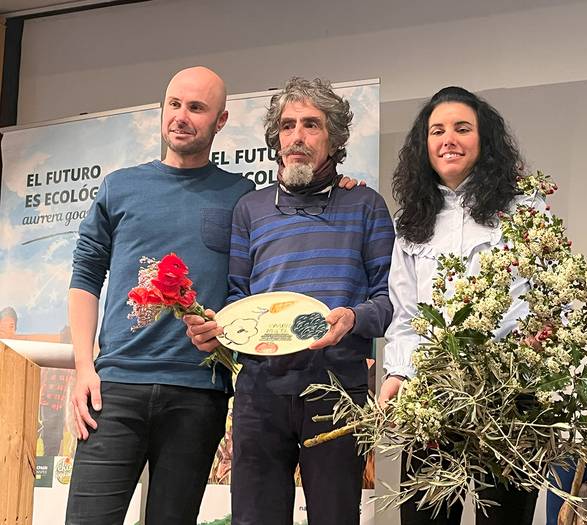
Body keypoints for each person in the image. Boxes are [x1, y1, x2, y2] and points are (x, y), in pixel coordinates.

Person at [185, 77, 394, 525]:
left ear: (334, 138)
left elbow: (387, 301)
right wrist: (219, 328)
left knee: (336, 518)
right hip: (260, 391)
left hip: (338, 390)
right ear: (276, 138)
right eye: (287, 126)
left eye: (311, 125)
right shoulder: (250, 209)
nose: (297, 136)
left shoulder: (366, 205)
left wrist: (352, 317)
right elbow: (238, 296)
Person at [65, 66, 255, 525]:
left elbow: (248, 288)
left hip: (198, 394)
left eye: (196, 107)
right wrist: (84, 367)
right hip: (113, 390)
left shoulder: (242, 197)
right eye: (174, 104)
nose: (181, 116)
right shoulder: (120, 186)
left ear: (221, 120)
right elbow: (85, 275)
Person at [377, 86, 539, 525]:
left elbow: (541, 298)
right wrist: (398, 373)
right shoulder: (411, 221)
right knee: (424, 517)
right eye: (437, 131)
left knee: (505, 517)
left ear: (484, 140)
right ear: (424, 145)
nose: (448, 139)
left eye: (462, 129)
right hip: (432, 393)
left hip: (508, 397)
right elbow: (406, 315)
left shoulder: (523, 209)